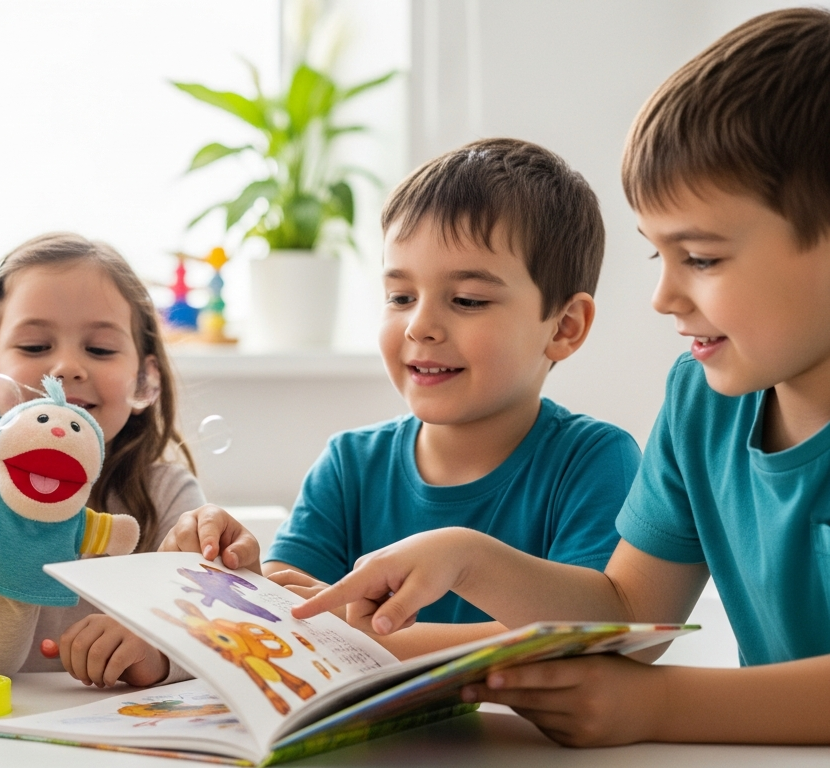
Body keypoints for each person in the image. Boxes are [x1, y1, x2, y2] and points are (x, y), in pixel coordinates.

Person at [296, 8, 830, 746]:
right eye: (658, 257)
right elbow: (626, 610)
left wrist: (660, 705)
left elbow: (646, 669)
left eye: (701, 258)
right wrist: (470, 557)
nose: (663, 298)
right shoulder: (700, 402)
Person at [165, 138, 640, 659]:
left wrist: (371, 640)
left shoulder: (594, 461)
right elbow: (294, 604)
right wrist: (244, 573)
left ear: (564, 327)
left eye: (467, 300)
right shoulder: (351, 464)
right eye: (400, 297)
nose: (420, 326)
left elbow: (594, 634)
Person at [0, 232, 204, 687]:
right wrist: (16, 530)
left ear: (145, 379)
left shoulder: (167, 492)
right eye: (34, 347)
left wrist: (158, 651)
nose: (66, 367)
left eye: (100, 349)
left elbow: (214, 641)